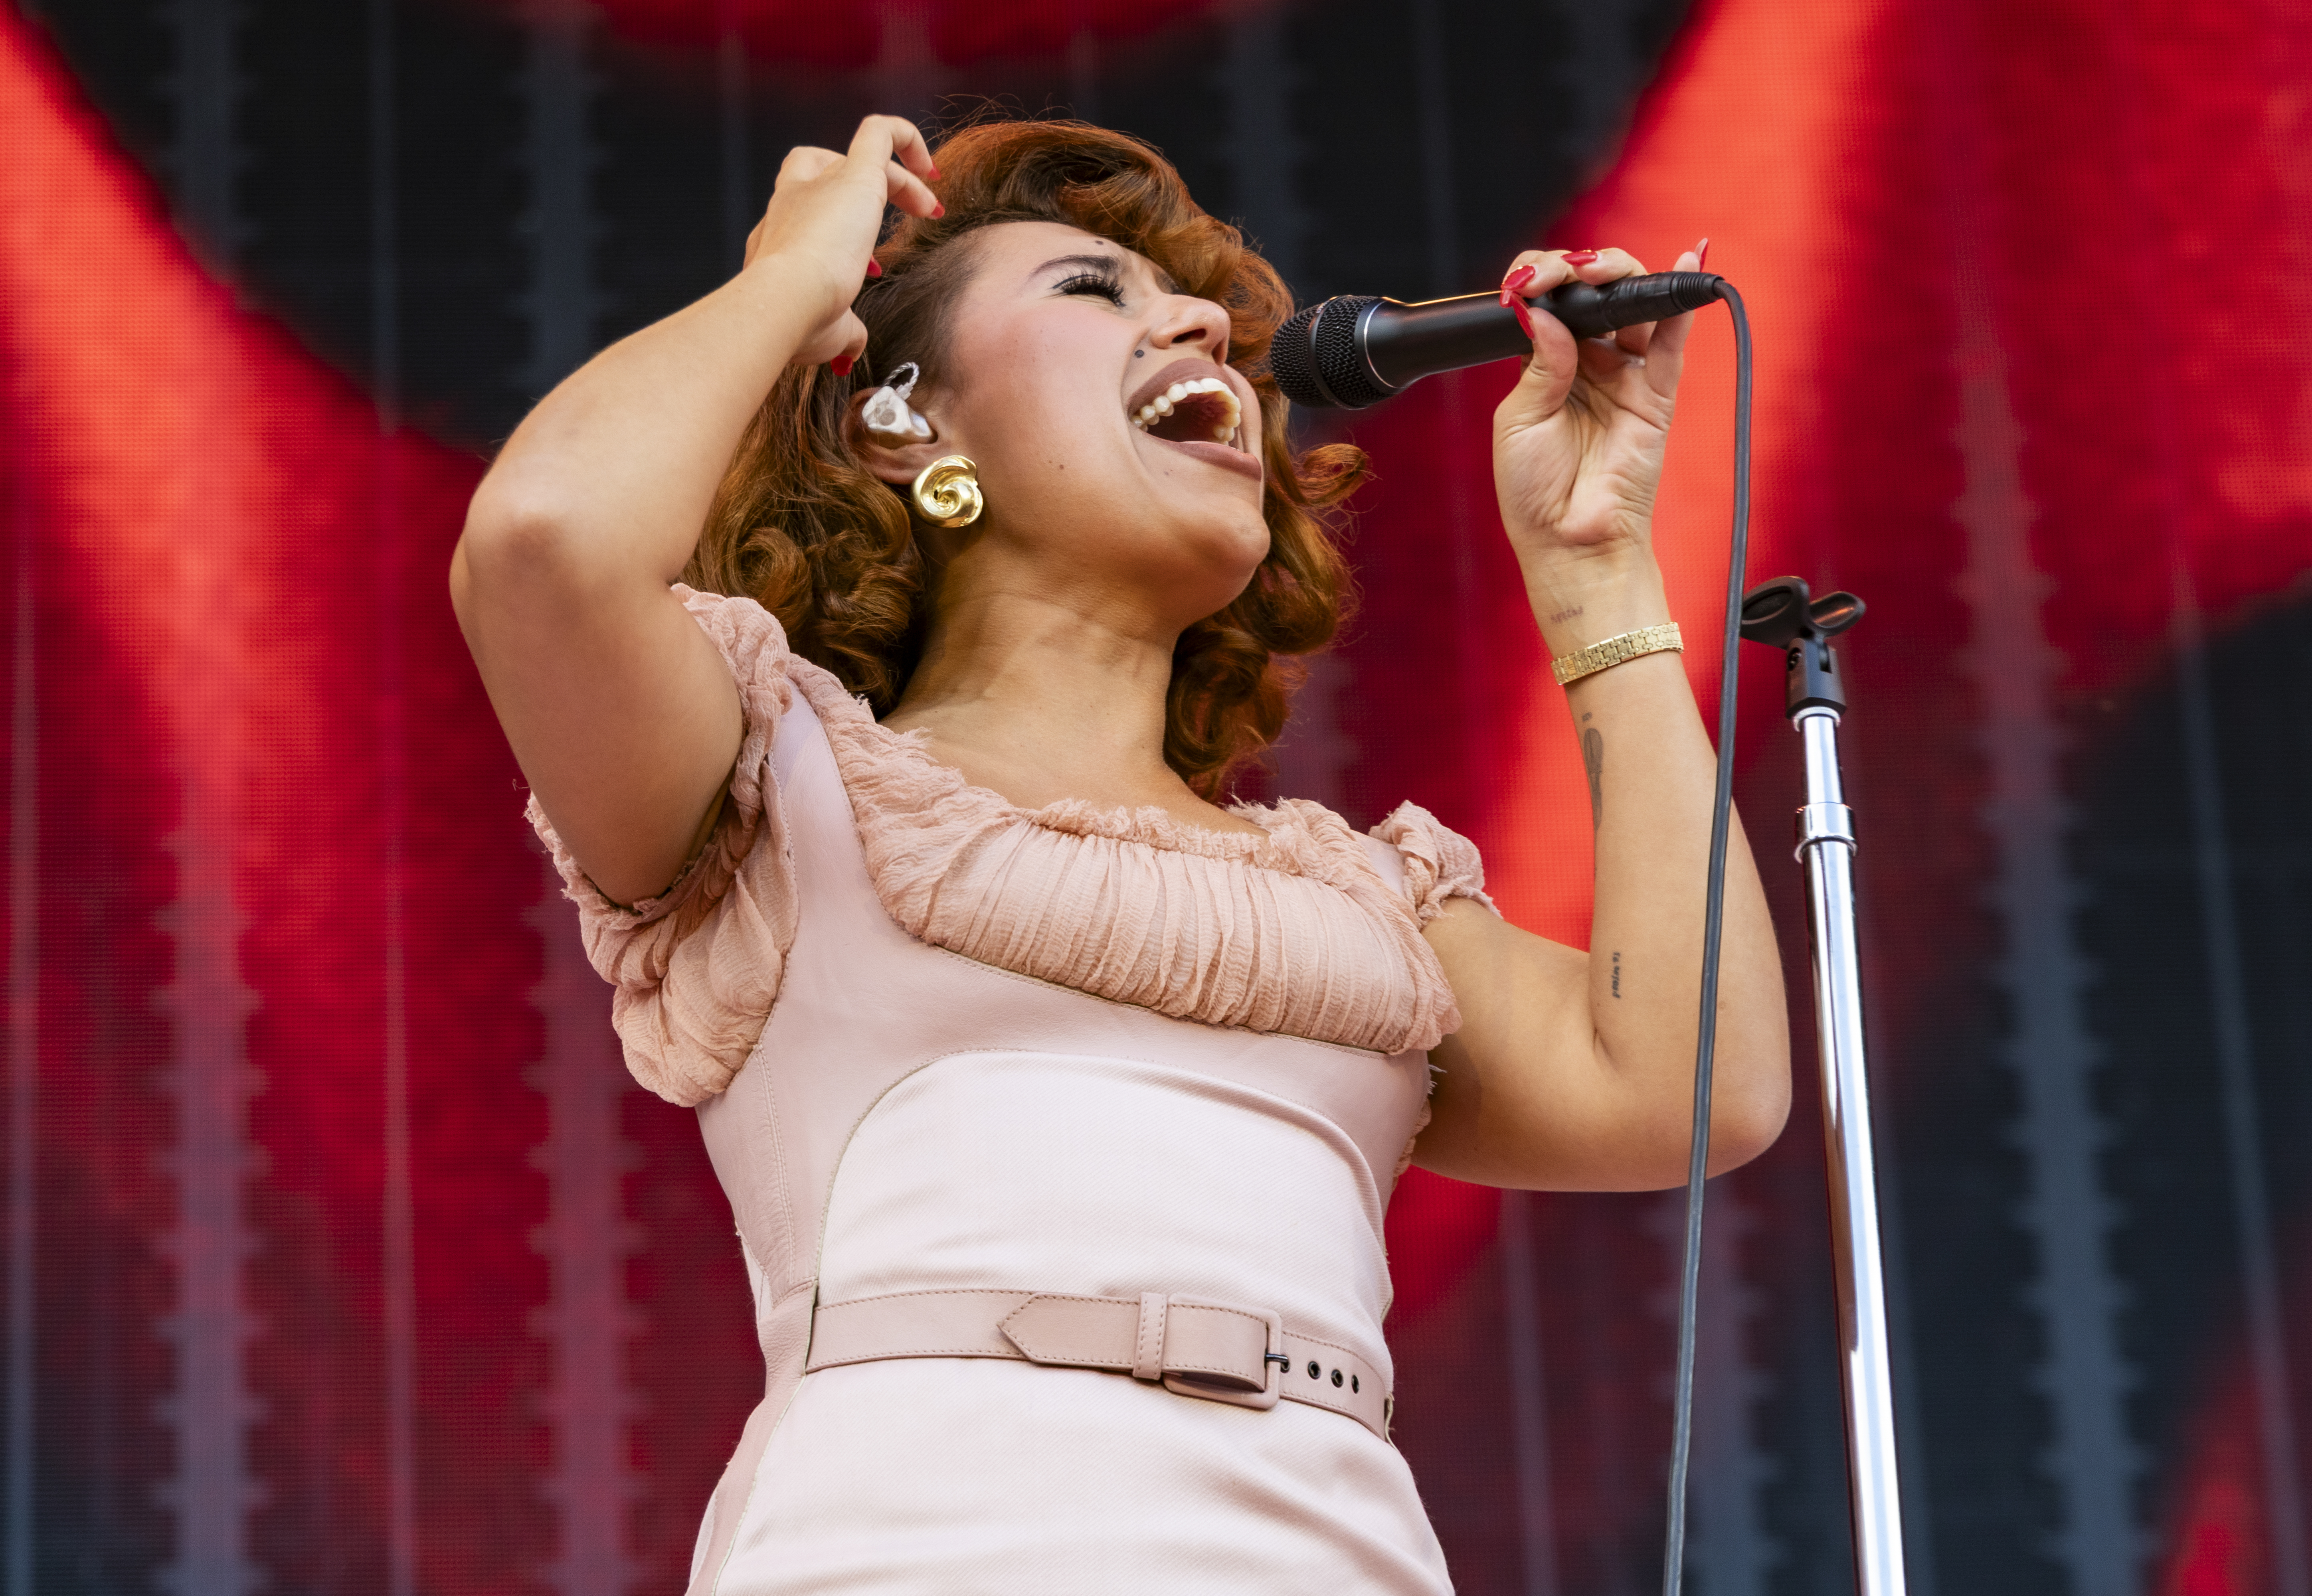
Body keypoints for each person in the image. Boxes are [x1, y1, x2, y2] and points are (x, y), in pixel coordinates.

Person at [452, 113, 1788, 1595]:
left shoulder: (1353, 896)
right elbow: (545, 541)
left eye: (1193, 306)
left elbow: (1692, 1079)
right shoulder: (777, 775)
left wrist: (1595, 569)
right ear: (908, 426)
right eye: (1094, 293)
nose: (1205, 320)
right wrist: (795, 282)